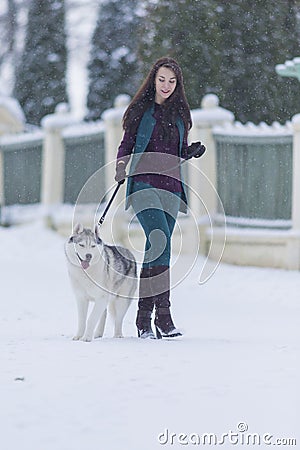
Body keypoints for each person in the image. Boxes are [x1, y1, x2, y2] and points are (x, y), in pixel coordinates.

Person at [114, 57, 206, 339]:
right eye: (162, 79)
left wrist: (189, 151)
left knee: (158, 249)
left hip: (170, 187)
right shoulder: (141, 111)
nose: (166, 85)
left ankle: (144, 319)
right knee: (160, 242)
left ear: (177, 84)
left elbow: (173, 152)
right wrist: (120, 167)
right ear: (153, 80)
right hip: (143, 185)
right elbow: (126, 145)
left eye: (172, 81)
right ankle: (162, 318)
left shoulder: (180, 115)